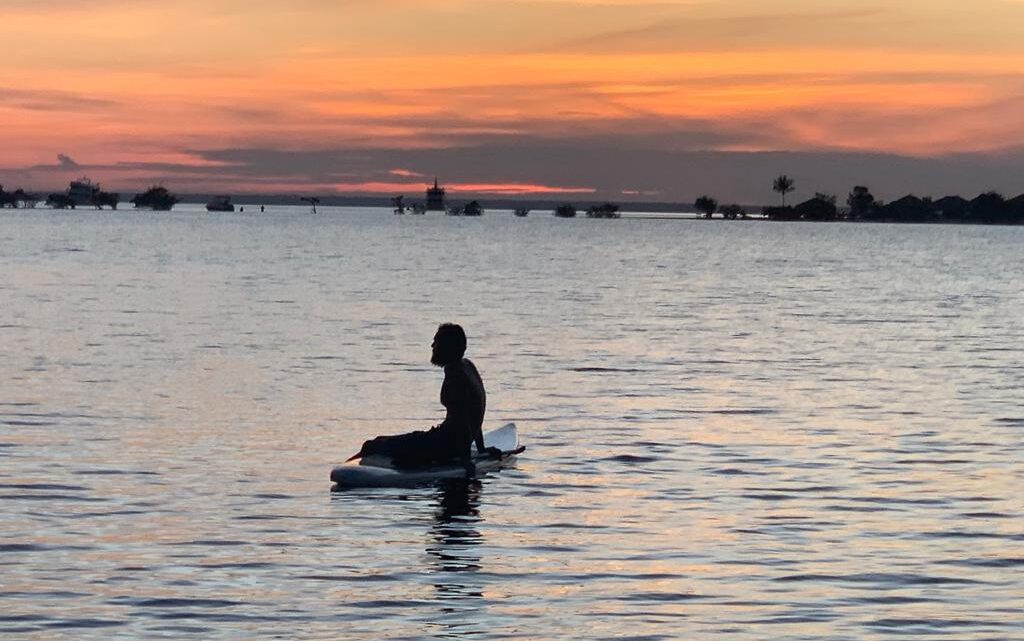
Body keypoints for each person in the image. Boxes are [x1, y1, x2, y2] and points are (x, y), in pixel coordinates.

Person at [348, 323, 501, 471]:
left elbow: (463, 419)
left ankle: (347, 468)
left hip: (444, 446)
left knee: (372, 445)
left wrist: (465, 460)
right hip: (449, 441)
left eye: (437, 342)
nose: (432, 346)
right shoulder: (467, 365)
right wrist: (481, 449)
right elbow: (473, 411)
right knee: (384, 442)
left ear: (448, 347)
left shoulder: (455, 374)